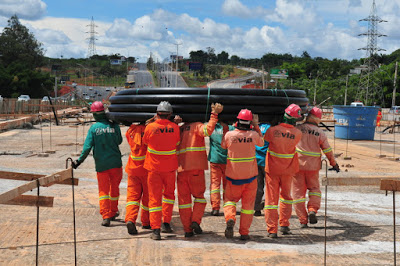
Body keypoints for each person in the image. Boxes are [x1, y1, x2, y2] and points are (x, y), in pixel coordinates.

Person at [72, 101, 123, 227]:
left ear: (94, 114)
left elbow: (87, 147)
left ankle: (106, 216)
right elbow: (120, 141)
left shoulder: (93, 129)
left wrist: (79, 161)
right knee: (114, 189)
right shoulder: (113, 126)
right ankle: (113, 212)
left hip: (102, 165)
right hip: (116, 163)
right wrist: (115, 126)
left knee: (104, 191)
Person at [176, 103, 223, 237]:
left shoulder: (179, 129)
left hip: (181, 170)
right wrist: (214, 115)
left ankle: (187, 230)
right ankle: (195, 221)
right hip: (196, 170)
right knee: (200, 198)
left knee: (184, 202)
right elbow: (208, 131)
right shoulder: (197, 126)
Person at [293, 107, 340, 227]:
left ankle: (303, 221)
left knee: (298, 194)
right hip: (313, 167)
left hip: (297, 166)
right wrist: (333, 163)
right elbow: (327, 150)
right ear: (318, 119)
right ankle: (312, 210)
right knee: (314, 190)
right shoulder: (320, 133)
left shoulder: (297, 129)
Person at [221, 109, 264, 240]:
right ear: (250, 122)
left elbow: (223, 146)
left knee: (229, 201)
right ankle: (244, 233)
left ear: (237, 120)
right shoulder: (253, 135)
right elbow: (262, 143)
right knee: (247, 207)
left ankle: (230, 218)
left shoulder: (229, 135)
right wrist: (256, 126)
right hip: (250, 178)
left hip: (233, 177)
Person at [143, 101, 180, 240]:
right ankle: (166, 223)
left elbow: (145, 142)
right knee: (169, 196)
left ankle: (156, 230)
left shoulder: (150, 127)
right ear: (170, 114)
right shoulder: (175, 127)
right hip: (170, 169)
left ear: (157, 114)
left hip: (153, 169)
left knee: (154, 199)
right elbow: (176, 143)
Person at [264, 104, 302, 238]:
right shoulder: (298, 134)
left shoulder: (272, 130)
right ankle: (284, 225)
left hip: (272, 170)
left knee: (271, 200)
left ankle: (272, 230)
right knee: (286, 197)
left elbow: (265, 141)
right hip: (288, 171)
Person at [124, 122, 150, 235]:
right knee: (147, 198)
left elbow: (127, 135)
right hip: (146, 170)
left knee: (132, 198)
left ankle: (130, 219)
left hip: (132, 169)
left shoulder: (131, 131)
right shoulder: (150, 130)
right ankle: (146, 222)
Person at [208, 121, 235, 216]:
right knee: (227, 185)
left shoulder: (212, 128)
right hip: (227, 160)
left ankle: (215, 207)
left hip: (215, 160)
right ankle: (227, 207)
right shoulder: (231, 129)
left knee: (215, 184)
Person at [254, 122, 270, 216]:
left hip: (256, 159)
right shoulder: (271, 128)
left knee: (257, 186)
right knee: (269, 186)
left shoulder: (256, 128)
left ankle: (257, 209)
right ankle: (267, 206)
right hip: (267, 161)